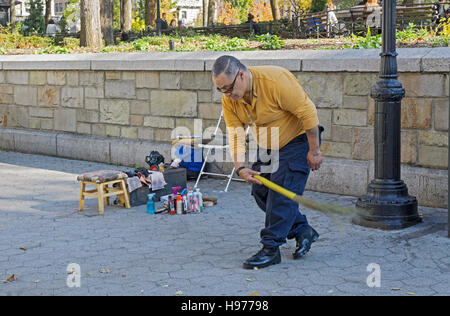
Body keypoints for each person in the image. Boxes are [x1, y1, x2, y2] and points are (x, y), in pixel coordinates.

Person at [212, 55, 324, 270]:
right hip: (270, 144)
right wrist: (241, 167)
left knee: (281, 194)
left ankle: (271, 248)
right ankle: (302, 230)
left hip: (298, 140)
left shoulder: (275, 80)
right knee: (261, 191)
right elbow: (236, 134)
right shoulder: (230, 99)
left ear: (241, 75)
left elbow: (308, 112)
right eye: (221, 90)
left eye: (228, 88)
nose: (226, 94)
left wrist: (315, 150)